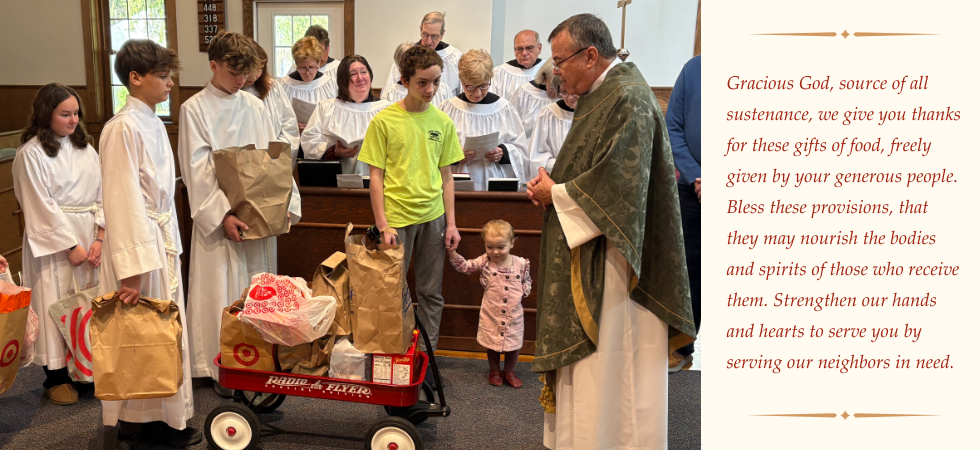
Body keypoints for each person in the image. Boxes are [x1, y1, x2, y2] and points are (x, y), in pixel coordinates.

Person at [525, 14, 695, 449]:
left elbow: (619, 186)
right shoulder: (604, 92)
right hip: (593, 248)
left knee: (614, 373)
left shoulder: (629, 99)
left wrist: (556, 193)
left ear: (591, 55)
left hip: (616, 267)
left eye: (560, 61)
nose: (555, 71)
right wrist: (553, 187)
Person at [179, 31, 302, 389]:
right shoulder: (195, 109)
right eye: (234, 74)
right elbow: (196, 169)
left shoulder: (253, 104)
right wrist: (222, 215)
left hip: (258, 215)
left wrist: (283, 202)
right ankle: (222, 366)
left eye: (247, 75)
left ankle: (258, 361)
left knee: (257, 287)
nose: (242, 81)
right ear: (213, 66)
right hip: (223, 222)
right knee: (222, 291)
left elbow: (271, 158)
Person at [97, 39, 201, 447]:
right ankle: (141, 426)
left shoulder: (153, 121)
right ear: (135, 79)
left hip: (158, 239)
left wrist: (170, 244)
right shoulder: (122, 127)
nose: (171, 83)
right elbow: (121, 201)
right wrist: (133, 273)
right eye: (162, 75)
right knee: (141, 337)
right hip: (138, 248)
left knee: (163, 333)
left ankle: (166, 418)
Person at [358, 45, 464, 354]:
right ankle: (394, 353)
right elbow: (375, 177)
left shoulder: (443, 123)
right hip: (395, 219)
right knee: (391, 292)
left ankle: (425, 357)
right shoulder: (385, 121)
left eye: (436, 81)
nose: (430, 89)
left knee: (431, 292)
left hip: (433, 219)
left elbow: (447, 178)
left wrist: (452, 224)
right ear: (404, 80)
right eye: (422, 82)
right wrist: (382, 225)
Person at [12, 83, 104, 407]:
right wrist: (71, 246)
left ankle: (86, 369)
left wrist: (99, 237)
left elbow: (102, 194)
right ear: (45, 114)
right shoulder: (31, 153)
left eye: (76, 113)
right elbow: (39, 204)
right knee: (56, 303)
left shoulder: (86, 149)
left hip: (89, 235)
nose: (73, 120)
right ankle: (57, 376)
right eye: (65, 114)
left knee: (87, 305)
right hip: (54, 243)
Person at [448, 220, 531, 388]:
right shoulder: (485, 261)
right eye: (490, 247)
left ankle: (509, 371)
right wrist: (452, 253)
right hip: (491, 313)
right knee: (492, 344)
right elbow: (465, 267)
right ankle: (494, 371)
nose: (495, 252)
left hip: (513, 314)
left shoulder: (521, 264)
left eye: (501, 247)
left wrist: (524, 291)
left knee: (513, 344)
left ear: (512, 243)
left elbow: (527, 280)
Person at [439, 49, 529, 189]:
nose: (477, 93)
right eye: (471, 87)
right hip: (458, 182)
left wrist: (503, 152)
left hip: (495, 182)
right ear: (462, 82)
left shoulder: (504, 109)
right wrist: (454, 156)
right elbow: (434, 149)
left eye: (483, 86)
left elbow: (522, 150)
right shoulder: (448, 109)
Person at [666, 55, 701, 372]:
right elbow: (673, 127)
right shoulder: (693, 70)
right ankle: (681, 346)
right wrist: (696, 174)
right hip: (692, 189)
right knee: (687, 270)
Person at [301, 55, 391, 175]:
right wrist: (334, 151)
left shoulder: (386, 110)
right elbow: (309, 143)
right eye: (353, 74)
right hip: (334, 181)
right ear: (343, 80)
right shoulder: (326, 108)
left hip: (375, 180)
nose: (360, 78)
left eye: (364, 72)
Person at [380, 12, 463, 96]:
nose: (429, 41)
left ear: (442, 34)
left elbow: (462, 94)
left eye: (434, 36)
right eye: (425, 34)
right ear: (420, 30)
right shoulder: (407, 55)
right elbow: (390, 93)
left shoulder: (455, 57)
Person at [244, 40, 300, 161]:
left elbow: (289, 127)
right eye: (249, 70)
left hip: (275, 160)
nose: (254, 75)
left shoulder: (273, 88)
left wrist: (275, 155)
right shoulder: (233, 93)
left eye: (259, 69)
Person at [280, 37, 336, 134]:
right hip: (292, 139)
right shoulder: (283, 85)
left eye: (311, 67)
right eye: (302, 68)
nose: (307, 73)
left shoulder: (329, 85)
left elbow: (335, 117)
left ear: (318, 63)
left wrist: (316, 126)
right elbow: (276, 118)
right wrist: (292, 126)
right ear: (296, 64)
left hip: (320, 141)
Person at [528, 74, 578, 174]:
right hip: (555, 177)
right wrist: (562, 167)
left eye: (573, 93)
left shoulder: (595, 111)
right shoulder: (548, 113)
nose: (569, 97)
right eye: (564, 92)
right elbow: (537, 155)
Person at [381, 42, 454, 107]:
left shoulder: (443, 89)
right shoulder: (391, 93)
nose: (430, 90)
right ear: (398, 67)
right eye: (422, 82)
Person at [508, 59, 557, 140]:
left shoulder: (569, 96)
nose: (556, 91)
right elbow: (511, 125)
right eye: (552, 86)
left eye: (559, 85)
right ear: (544, 76)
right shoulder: (525, 92)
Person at [490, 30, 545, 101]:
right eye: (520, 49)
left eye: (529, 48)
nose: (524, 53)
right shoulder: (500, 73)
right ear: (514, 50)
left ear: (539, 48)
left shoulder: (549, 71)